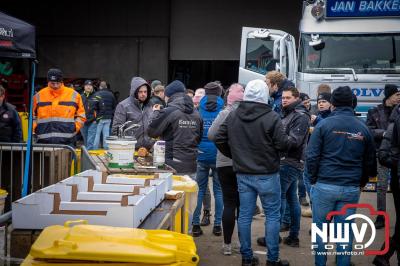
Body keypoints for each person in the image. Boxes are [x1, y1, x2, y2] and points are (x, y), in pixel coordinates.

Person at [214, 79, 290, 266]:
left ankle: (246, 258)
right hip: (267, 173)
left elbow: (218, 137)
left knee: (245, 215)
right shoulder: (271, 116)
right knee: (272, 215)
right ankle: (272, 259)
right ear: (265, 95)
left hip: (243, 172)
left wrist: (235, 155)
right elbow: (283, 144)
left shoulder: (233, 115)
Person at [305, 86, 376, 266]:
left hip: (324, 185)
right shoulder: (363, 127)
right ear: (353, 103)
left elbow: (312, 156)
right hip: (350, 187)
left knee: (320, 231)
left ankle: (320, 263)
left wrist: (313, 180)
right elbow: (370, 162)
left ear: (333, 104)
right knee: (344, 233)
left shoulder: (323, 125)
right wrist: (361, 183)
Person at [257, 87, 311, 248]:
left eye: (288, 98)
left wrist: (274, 140)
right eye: (283, 98)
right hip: (288, 162)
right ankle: (293, 236)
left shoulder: (300, 116)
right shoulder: (288, 114)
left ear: (297, 98)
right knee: (291, 199)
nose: (284, 100)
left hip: (289, 162)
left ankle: (273, 238)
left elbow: (294, 141)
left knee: (277, 200)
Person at [208, 83, 244, 255]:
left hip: (224, 163)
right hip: (244, 164)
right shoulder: (247, 114)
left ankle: (227, 244)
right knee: (242, 204)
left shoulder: (225, 113)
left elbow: (211, 135)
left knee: (229, 203)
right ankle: (241, 243)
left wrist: (226, 147)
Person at [148, 80, 202, 175]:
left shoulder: (169, 112)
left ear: (169, 96)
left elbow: (152, 132)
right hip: (192, 165)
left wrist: (155, 113)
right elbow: (199, 138)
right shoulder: (197, 114)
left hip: (172, 166)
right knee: (188, 189)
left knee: (173, 190)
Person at [192, 82, 225, 237]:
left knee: (199, 190)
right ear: (219, 93)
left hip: (201, 153)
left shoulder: (198, 108)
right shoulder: (224, 109)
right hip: (219, 154)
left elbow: (195, 132)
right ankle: (217, 225)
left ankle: (195, 225)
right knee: (219, 190)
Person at [366, 84, 400, 229]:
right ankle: (381, 216)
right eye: (397, 94)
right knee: (381, 186)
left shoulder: (399, 111)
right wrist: (384, 134)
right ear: (389, 96)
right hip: (383, 153)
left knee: (396, 186)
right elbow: (369, 130)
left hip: (398, 155)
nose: (399, 97)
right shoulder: (374, 111)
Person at [374, 104, 400, 265]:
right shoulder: (395, 121)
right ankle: (384, 255)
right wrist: (397, 164)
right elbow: (384, 155)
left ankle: (384, 255)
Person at [33, 68, 86, 146]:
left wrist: (74, 128)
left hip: (68, 141)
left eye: (57, 83)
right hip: (44, 141)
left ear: (62, 81)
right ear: (48, 82)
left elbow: (81, 116)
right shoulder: (39, 96)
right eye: (52, 83)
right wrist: (35, 130)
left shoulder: (74, 95)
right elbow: (32, 116)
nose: (55, 85)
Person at [111, 77, 154, 150]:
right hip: (130, 149)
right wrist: (123, 147)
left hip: (148, 149)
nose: (143, 94)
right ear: (134, 92)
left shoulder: (150, 105)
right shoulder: (123, 106)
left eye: (145, 92)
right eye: (140, 92)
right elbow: (116, 130)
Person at [92, 80, 117, 149]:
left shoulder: (97, 94)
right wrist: (111, 114)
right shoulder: (111, 94)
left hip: (99, 117)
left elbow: (94, 106)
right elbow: (115, 106)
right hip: (108, 117)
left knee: (97, 134)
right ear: (106, 86)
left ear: (100, 87)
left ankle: (95, 148)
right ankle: (106, 148)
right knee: (106, 134)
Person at [80, 80, 97, 150]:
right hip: (82, 121)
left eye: (90, 85)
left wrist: (97, 119)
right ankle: (87, 157)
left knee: (90, 141)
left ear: (92, 87)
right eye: (87, 85)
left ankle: (89, 158)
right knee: (86, 140)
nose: (88, 87)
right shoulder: (80, 97)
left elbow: (101, 108)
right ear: (84, 87)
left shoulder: (97, 96)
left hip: (93, 121)